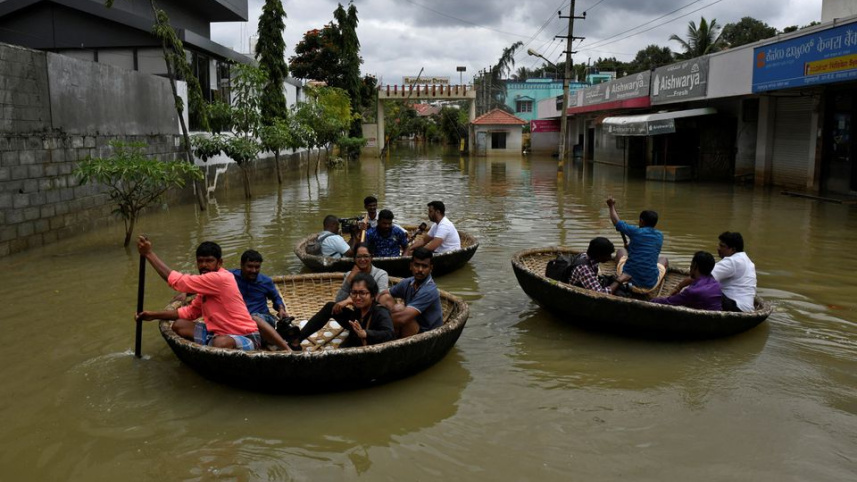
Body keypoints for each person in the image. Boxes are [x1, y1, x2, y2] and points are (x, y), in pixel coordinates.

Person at [135, 237, 262, 351]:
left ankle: (211, 348)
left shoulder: (220, 278)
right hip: (217, 333)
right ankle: (210, 345)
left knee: (221, 343)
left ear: (220, 263)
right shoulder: (206, 286)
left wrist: (149, 254)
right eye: (200, 261)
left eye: (209, 261)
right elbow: (189, 313)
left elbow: (179, 282)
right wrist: (153, 315)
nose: (204, 265)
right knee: (179, 325)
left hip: (246, 336)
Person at [281, 273, 394, 350]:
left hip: (368, 342)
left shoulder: (380, 312)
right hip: (355, 334)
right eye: (354, 293)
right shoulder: (358, 310)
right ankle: (298, 339)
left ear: (373, 295)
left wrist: (366, 333)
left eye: (362, 293)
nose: (357, 297)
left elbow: (389, 334)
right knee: (331, 306)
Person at [230, 249, 294, 350]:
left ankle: (284, 347)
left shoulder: (266, 281)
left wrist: (281, 309)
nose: (254, 270)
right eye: (250, 266)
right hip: (241, 320)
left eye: (257, 267)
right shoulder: (230, 276)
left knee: (254, 317)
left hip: (263, 318)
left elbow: (276, 299)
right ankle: (265, 340)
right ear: (241, 265)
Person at [606, 196, 669, 293]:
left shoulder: (636, 231)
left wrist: (611, 206)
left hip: (628, 281)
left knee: (621, 251)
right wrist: (631, 248)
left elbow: (616, 221)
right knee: (664, 259)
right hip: (650, 286)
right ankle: (660, 277)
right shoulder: (660, 236)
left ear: (641, 221)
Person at [378, 247, 443, 338]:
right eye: (417, 265)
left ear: (430, 268)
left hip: (427, 333)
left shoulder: (429, 290)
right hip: (413, 324)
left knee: (401, 312)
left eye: (424, 266)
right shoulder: (408, 282)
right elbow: (385, 293)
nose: (420, 270)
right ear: (411, 266)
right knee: (385, 298)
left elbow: (402, 318)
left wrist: (375, 323)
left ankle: (392, 339)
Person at [651, 251, 722, 311]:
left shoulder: (692, 292)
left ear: (695, 265)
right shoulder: (717, 285)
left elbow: (668, 301)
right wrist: (679, 286)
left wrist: (652, 300)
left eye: (691, 264)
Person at [713, 232, 757, 312]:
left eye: (722, 246)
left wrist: (682, 285)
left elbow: (703, 275)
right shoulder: (747, 261)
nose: (718, 248)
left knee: (705, 287)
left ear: (733, 249)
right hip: (747, 308)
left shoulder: (732, 261)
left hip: (736, 306)